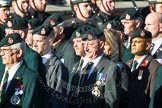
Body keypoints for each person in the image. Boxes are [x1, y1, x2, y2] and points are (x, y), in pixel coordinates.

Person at [68, 27, 119, 108]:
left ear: (102, 44)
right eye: (84, 44)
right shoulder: (84, 67)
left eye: (91, 44)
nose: (86, 48)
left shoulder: (110, 68)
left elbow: (111, 102)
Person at [0, 33, 41, 108]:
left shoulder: (30, 77)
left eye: (5, 50)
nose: (1, 53)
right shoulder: (1, 71)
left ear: (19, 53)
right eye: (1, 50)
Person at [32, 25, 69, 108]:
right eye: (33, 41)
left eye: (38, 41)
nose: (34, 44)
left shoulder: (56, 65)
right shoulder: (31, 62)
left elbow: (58, 99)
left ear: (50, 41)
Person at [126, 29, 161, 108]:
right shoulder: (127, 64)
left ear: (148, 45)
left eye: (137, 42)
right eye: (132, 42)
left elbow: (153, 96)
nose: (133, 44)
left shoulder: (154, 67)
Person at [103, 27, 131, 108]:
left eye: (105, 44)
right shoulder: (101, 65)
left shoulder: (121, 68)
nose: (102, 47)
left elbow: (123, 95)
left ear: (113, 44)